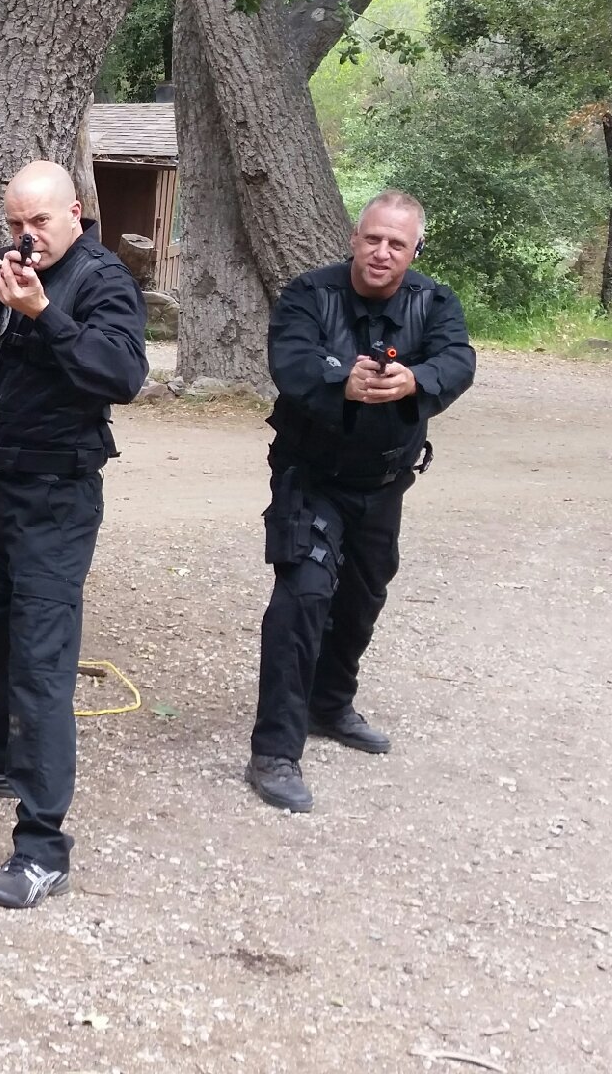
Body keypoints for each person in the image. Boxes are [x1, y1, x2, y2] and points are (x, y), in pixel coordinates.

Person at [0, 160, 147, 910]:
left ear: (73, 213)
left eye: (39, 222)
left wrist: (47, 313)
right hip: (2, 484)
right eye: (15, 223)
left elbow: (120, 373)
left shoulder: (101, 279)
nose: (26, 236)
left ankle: (43, 847)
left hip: (60, 492)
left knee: (42, 666)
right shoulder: (17, 266)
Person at [244, 190, 474, 814]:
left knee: (363, 596)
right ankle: (275, 750)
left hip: (383, 481)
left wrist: (416, 381)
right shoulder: (309, 295)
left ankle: (330, 703)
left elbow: (458, 358)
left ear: (414, 249)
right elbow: (288, 357)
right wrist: (338, 378)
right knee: (303, 598)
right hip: (310, 474)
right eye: (373, 238)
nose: (381, 252)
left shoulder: (434, 301)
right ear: (354, 238)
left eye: (396, 243)